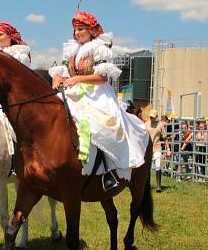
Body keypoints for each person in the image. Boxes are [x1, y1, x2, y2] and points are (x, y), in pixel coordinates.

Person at [49, 11, 149, 191]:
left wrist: (76, 79)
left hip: (96, 93)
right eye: (75, 29)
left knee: (104, 129)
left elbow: (102, 77)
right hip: (73, 92)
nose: (77, 33)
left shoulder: (99, 47)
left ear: (91, 30)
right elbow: (63, 69)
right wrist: (57, 79)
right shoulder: (72, 49)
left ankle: (109, 171)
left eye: (81, 29)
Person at [145, 109, 169, 193]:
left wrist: (168, 149)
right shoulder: (146, 124)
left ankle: (158, 186)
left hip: (157, 147)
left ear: (156, 117)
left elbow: (165, 138)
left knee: (158, 166)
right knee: (147, 167)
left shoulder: (160, 125)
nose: (152, 118)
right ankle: (147, 185)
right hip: (147, 149)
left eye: (153, 117)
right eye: (151, 117)